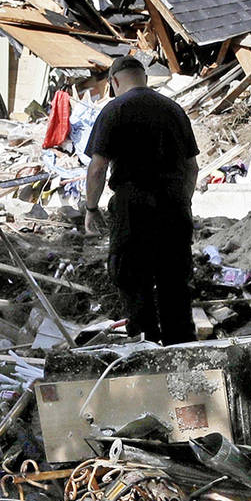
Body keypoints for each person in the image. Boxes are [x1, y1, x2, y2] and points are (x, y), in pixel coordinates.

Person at [83, 55, 199, 346]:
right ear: (144, 78)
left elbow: (97, 169)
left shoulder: (114, 110)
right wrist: (183, 202)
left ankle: (145, 345)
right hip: (173, 207)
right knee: (175, 285)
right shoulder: (173, 110)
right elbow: (192, 167)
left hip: (132, 209)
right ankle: (182, 349)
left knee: (134, 282)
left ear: (114, 81)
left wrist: (91, 208)